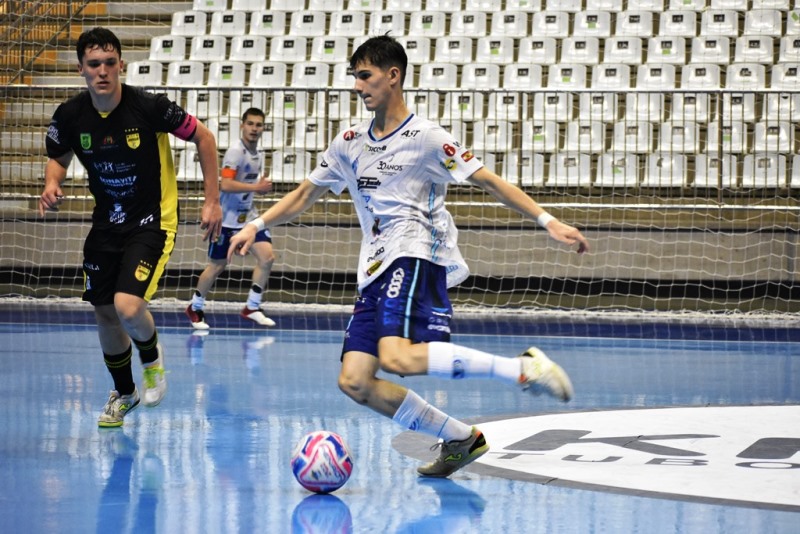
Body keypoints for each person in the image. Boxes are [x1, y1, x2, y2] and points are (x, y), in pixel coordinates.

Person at [228, 35, 590, 477]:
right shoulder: (348, 142)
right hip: (374, 268)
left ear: (393, 76)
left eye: (366, 76)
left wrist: (547, 220)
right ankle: (460, 438)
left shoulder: (427, 138)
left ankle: (522, 369)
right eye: (355, 77)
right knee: (355, 381)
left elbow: (489, 181)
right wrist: (255, 224)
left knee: (398, 358)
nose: (359, 86)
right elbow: (305, 195)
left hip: (415, 253)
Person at [38, 27, 223, 428]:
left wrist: (212, 201)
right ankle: (124, 393)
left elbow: (205, 138)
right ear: (81, 70)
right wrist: (53, 183)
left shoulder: (149, 107)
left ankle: (153, 360)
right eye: (93, 64)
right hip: (106, 223)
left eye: (109, 63)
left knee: (127, 305)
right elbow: (59, 154)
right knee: (104, 312)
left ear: (120, 65)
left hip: (152, 221)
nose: (102, 71)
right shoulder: (70, 115)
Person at [185, 108, 277, 330]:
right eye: (251, 124)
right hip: (226, 221)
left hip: (248, 219)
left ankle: (252, 307)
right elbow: (225, 184)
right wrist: (257, 187)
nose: (255, 129)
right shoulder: (236, 152)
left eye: (259, 125)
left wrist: (257, 190)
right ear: (242, 126)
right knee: (217, 266)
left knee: (267, 258)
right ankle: (195, 307)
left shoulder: (259, 153)